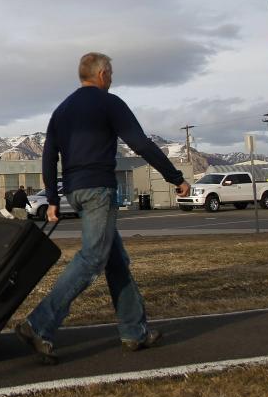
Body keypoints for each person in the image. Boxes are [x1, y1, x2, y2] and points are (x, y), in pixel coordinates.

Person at [15, 52, 190, 365]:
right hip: (98, 189)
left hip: (75, 191)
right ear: (102, 74)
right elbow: (142, 144)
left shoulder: (62, 109)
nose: (112, 78)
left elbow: (48, 156)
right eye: (111, 73)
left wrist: (54, 198)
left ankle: (134, 333)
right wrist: (175, 177)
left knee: (115, 260)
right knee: (93, 257)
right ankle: (39, 324)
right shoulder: (109, 103)